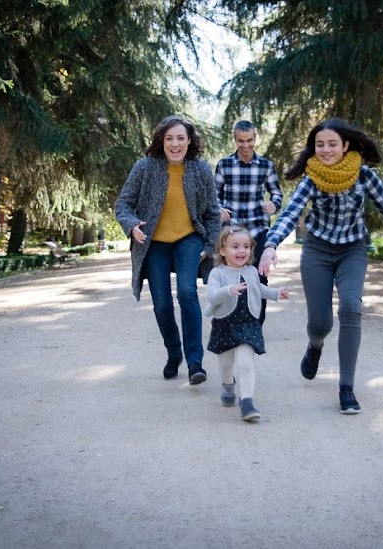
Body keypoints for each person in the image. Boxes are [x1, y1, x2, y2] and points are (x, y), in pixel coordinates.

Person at [258, 118, 383, 414]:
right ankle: (315, 345)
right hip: (317, 251)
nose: (325, 150)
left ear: (345, 145)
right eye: (320, 145)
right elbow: (290, 212)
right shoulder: (311, 178)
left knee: (351, 307)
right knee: (320, 323)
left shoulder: (363, 175)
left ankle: (346, 387)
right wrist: (271, 244)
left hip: (352, 250)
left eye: (332, 144)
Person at [115, 115, 220, 385]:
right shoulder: (145, 167)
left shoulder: (200, 170)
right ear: (161, 140)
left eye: (180, 138)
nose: (175, 144)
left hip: (188, 238)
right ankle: (174, 353)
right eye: (169, 138)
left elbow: (212, 213)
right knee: (162, 304)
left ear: (189, 142)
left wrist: (210, 246)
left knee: (187, 292)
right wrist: (131, 225)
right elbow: (123, 205)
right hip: (154, 243)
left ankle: (195, 362)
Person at [204, 226, 290, 421]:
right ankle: (228, 384)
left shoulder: (251, 271)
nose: (241, 251)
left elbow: (258, 288)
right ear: (223, 250)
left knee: (245, 363)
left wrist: (277, 293)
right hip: (224, 323)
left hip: (248, 323)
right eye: (235, 246)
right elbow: (211, 296)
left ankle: (247, 402)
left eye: (246, 246)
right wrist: (229, 289)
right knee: (226, 364)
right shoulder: (217, 273)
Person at [214, 120, 284, 325]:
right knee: (229, 276)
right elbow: (213, 194)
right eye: (240, 141)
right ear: (235, 140)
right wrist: (219, 208)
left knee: (259, 277)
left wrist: (275, 204)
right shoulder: (225, 164)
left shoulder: (266, 165)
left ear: (255, 138)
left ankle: (256, 326)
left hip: (258, 227)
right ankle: (230, 321)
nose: (245, 145)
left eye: (249, 140)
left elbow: (277, 192)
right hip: (231, 229)